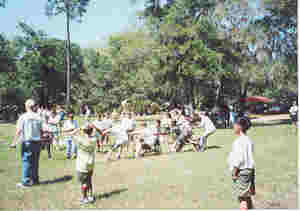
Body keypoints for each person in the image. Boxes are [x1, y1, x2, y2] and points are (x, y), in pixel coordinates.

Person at [227, 117, 255, 209]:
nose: (233, 127)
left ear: (240, 127)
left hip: (241, 171)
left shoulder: (238, 142)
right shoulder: (248, 140)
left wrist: (234, 172)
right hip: (250, 170)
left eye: (235, 125)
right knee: (247, 195)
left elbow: (239, 159)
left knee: (242, 198)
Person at [15, 99, 43, 188]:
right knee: (35, 162)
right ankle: (35, 180)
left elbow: (19, 130)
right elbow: (41, 130)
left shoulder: (23, 117)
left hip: (28, 142)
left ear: (26, 106)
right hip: (37, 142)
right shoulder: (38, 117)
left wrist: (14, 142)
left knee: (26, 161)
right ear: (33, 106)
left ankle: (25, 181)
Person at [70, 123, 97, 205]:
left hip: (81, 164)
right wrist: (92, 127)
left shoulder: (80, 140)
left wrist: (79, 128)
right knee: (89, 180)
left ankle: (84, 198)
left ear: (84, 131)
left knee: (83, 183)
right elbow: (97, 133)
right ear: (91, 131)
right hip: (91, 163)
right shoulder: (94, 139)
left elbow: (71, 134)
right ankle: (91, 196)